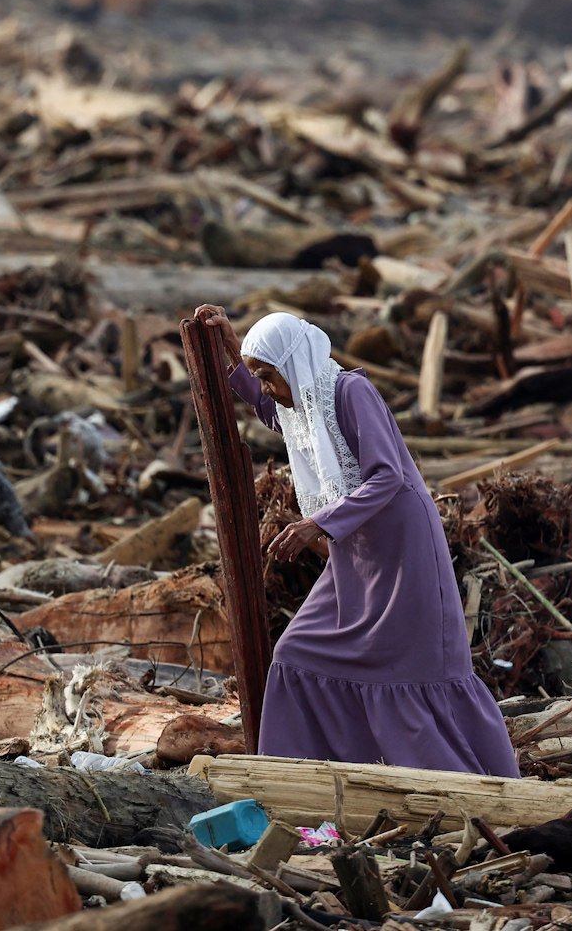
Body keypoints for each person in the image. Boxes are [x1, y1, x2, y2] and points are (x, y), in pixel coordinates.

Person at [193, 306, 520, 777]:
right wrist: (231, 345)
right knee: (296, 653)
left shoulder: (350, 391)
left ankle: (458, 780)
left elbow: (387, 476)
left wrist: (316, 524)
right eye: (259, 378)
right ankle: (303, 779)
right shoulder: (303, 405)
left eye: (268, 376)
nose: (265, 388)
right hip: (355, 548)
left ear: (293, 364)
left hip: (402, 545)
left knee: (412, 667)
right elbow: (271, 410)